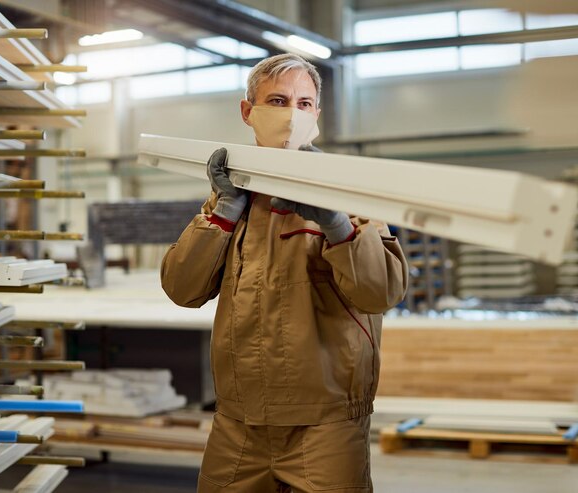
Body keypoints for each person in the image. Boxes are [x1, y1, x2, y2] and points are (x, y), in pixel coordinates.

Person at [161, 53, 408, 493]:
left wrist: (337, 225)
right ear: (247, 111)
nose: (292, 115)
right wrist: (223, 214)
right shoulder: (229, 196)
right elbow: (183, 289)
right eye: (277, 100)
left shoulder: (349, 190)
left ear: (317, 115)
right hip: (238, 421)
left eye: (304, 103)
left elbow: (381, 293)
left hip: (325, 423)